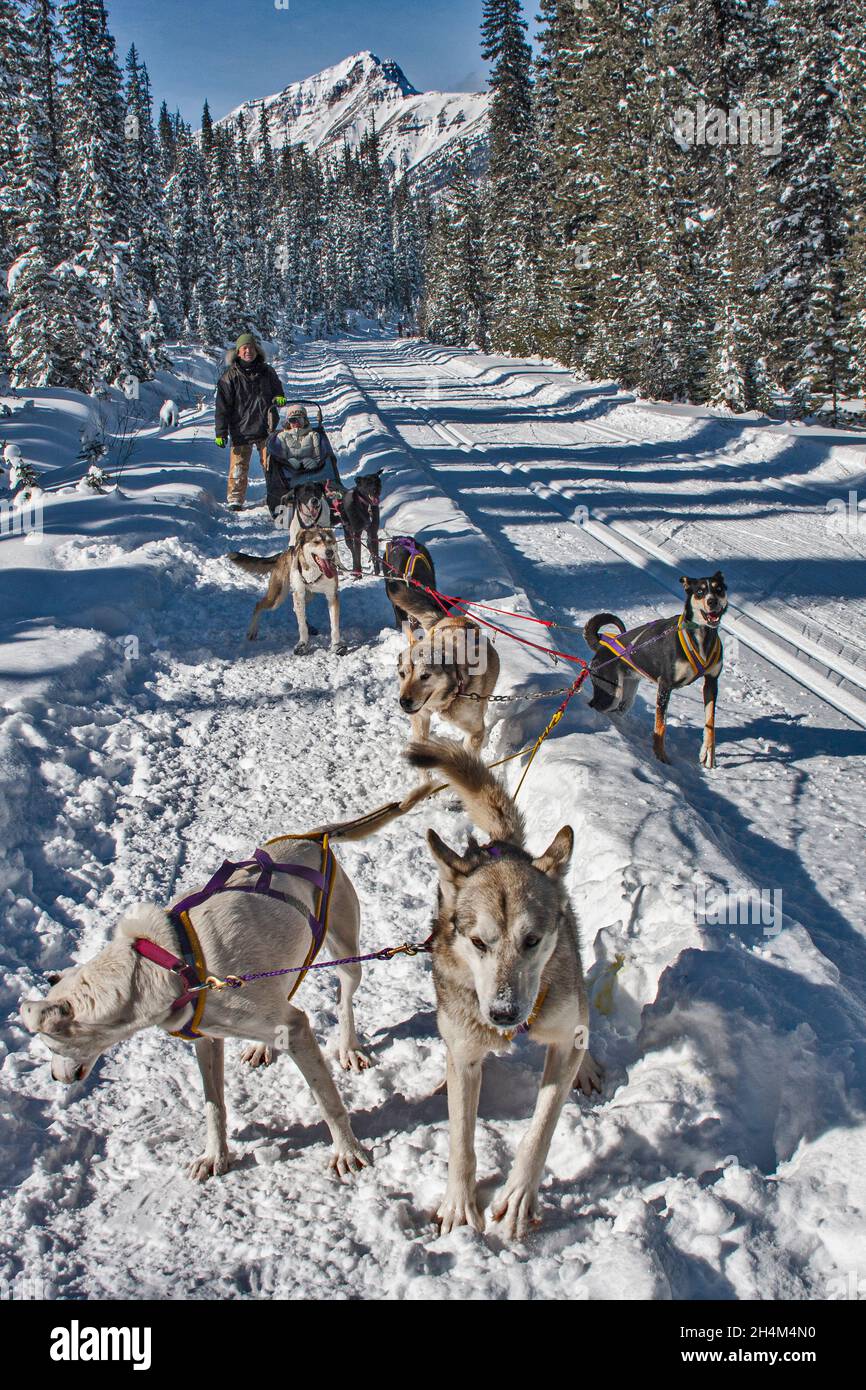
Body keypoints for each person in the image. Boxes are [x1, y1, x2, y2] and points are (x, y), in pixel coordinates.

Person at [215, 334, 286, 510]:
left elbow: (278, 391)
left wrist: (279, 398)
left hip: (265, 427)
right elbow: (222, 407)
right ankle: (235, 499)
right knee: (238, 467)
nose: (248, 351)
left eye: (251, 348)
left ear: (257, 351)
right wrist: (220, 432)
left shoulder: (267, 372)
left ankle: (275, 495)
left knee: (270, 465)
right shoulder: (229, 377)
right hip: (240, 428)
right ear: (238, 352)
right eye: (244, 348)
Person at [265, 403, 343, 525]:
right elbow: (281, 456)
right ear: (288, 421)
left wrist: (315, 462)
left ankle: (332, 511)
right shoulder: (282, 436)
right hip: (289, 473)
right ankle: (285, 516)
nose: (296, 422)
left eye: (299, 418)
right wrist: (289, 462)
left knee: (332, 488)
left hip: (315, 473)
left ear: (305, 419)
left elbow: (320, 455)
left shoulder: (314, 435)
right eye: (292, 419)